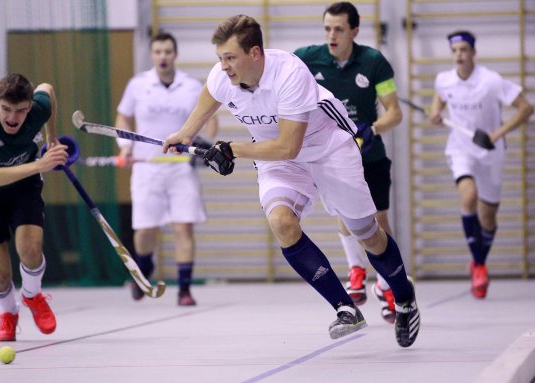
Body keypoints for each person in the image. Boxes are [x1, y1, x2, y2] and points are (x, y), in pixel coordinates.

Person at [163, 14, 420, 347]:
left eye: (230, 58)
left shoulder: (290, 73)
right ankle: (344, 307)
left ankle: (404, 296)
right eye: (220, 58)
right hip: (276, 158)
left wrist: (232, 149)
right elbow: (209, 99)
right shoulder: (222, 75)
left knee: (367, 234)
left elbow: (288, 145)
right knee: (282, 223)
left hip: (326, 148)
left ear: (255, 53)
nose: (223, 66)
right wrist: (183, 135)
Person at [294, 2, 402, 324]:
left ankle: (387, 286)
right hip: (330, 154)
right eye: (327, 28)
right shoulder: (306, 58)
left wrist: (374, 128)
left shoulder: (374, 63)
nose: (331, 35)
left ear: (354, 31)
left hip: (370, 153)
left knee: (377, 222)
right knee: (344, 215)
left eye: (339, 29)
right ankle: (356, 270)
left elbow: (395, 112)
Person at [0, 73, 68, 341]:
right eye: (6, 109)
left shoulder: (38, 108)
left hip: (23, 187)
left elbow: (48, 88)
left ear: (30, 107)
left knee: (30, 249)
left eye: (20, 111)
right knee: (0, 275)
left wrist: (51, 136)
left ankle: (33, 296)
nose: (12, 118)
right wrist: (40, 165)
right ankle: (8, 312)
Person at [115, 31, 218, 306]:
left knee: (184, 227)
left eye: (168, 52)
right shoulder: (138, 85)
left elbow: (209, 118)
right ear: (152, 55)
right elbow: (123, 116)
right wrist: (124, 146)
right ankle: (144, 270)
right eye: (158, 52)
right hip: (147, 167)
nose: (163, 57)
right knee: (146, 230)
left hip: (180, 168)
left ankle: (184, 290)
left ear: (175, 54)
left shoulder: (191, 86)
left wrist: (207, 141)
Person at [430, 31, 533, 299]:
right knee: (468, 197)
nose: (459, 55)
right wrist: (436, 113)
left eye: (464, 50)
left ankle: (478, 262)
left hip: (491, 152)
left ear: (473, 52)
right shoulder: (445, 80)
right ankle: (480, 268)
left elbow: (525, 108)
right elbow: (439, 100)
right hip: (460, 148)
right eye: (455, 51)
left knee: (488, 219)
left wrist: (496, 134)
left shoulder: (491, 81)